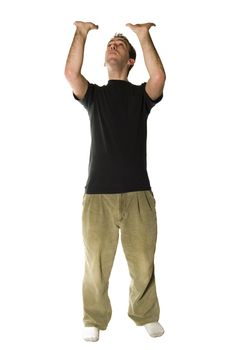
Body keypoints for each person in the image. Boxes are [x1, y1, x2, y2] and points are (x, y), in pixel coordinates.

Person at [64, 21, 166, 342]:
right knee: (95, 264)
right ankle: (94, 317)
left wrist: (142, 35)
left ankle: (145, 314)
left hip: (138, 194)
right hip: (98, 196)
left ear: (131, 60)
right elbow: (71, 74)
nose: (113, 45)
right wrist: (80, 34)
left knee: (143, 262)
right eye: (110, 43)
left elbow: (159, 78)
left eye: (120, 44)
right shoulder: (94, 96)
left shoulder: (140, 97)